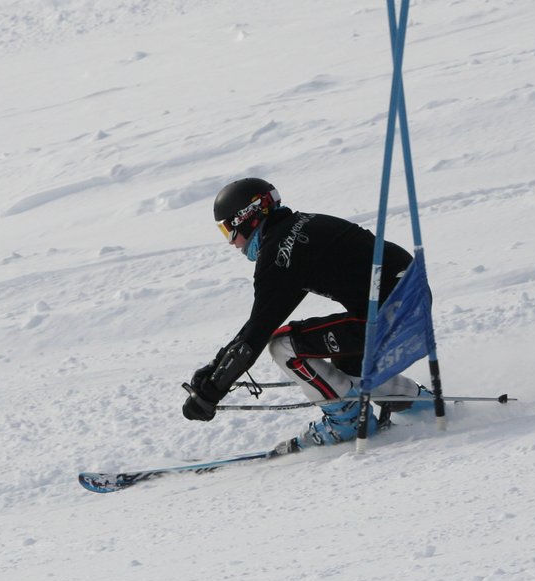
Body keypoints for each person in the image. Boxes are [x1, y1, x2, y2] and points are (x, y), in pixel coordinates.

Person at [181, 176, 430, 451]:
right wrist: (215, 368)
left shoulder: (279, 254)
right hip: (413, 300)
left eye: (228, 229)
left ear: (247, 218)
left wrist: (211, 391)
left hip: (388, 313)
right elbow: (259, 323)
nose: (231, 242)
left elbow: (257, 333)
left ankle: (347, 421)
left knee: (283, 346)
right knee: (348, 361)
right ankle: (420, 405)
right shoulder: (304, 225)